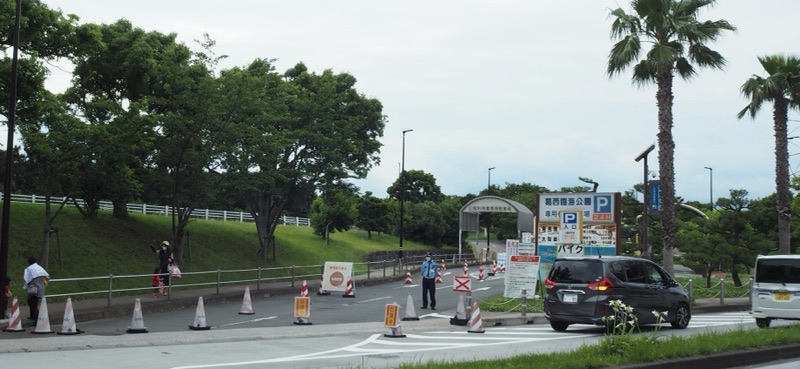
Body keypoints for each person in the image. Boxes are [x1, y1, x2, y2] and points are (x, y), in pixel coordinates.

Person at [23, 256, 49, 322]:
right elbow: (47, 277)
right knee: (34, 303)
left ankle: (36, 320)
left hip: (33, 288)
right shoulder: (40, 268)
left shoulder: (29, 269)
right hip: (40, 288)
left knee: (32, 304)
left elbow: (27, 279)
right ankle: (33, 316)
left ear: (29, 262)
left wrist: (25, 287)